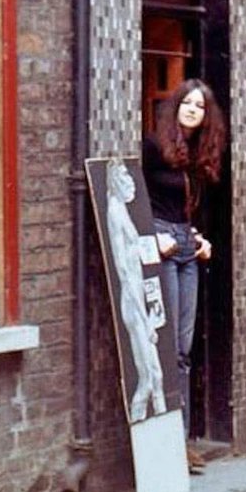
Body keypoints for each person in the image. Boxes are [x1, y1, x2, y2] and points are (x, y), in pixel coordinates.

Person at [142, 79, 227, 473]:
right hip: (162, 244)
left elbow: (195, 208)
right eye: (187, 103)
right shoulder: (153, 147)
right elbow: (134, 199)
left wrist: (200, 237)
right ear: (174, 106)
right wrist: (153, 237)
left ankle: (182, 439)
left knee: (183, 349)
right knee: (166, 346)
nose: (193, 109)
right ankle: (166, 443)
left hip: (187, 247)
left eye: (200, 106)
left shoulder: (200, 156)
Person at [105, 159, 166, 423]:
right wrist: (145, 320)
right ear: (114, 182)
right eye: (124, 177)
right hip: (133, 303)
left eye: (130, 177)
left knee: (157, 375)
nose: (131, 182)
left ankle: (162, 432)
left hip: (140, 297)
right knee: (150, 378)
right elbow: (125, 275)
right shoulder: (114, 213)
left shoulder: (122, 210)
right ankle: (142, 421)